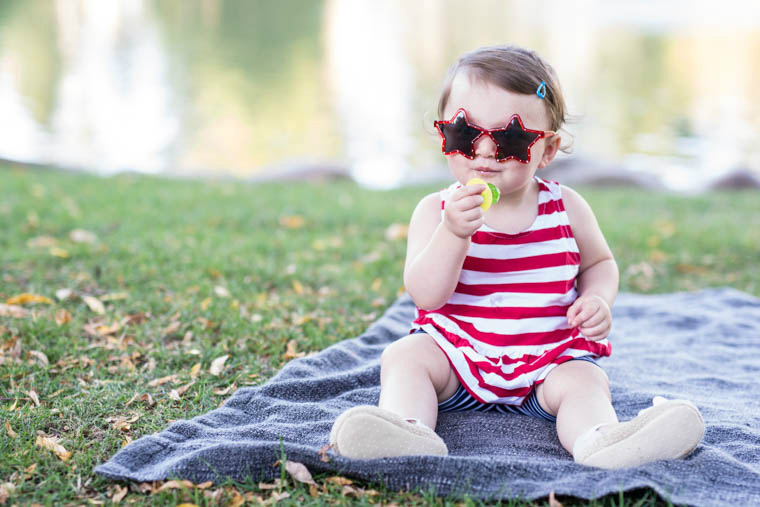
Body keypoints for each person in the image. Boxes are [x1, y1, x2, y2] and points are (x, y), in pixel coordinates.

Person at [329, 44, 705, 468]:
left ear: (546, 150)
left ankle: (601, 441)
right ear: (444, 138)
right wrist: (453, 233)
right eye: (465, 134)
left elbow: (599, 264)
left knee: (585, 380)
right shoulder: (435, 211)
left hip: (548, 358)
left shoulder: (567, 208)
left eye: (509, 139)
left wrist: (598, 298)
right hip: (457, 354)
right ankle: (405, 431)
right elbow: (427, 297)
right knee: (406, 356)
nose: (485, 151)